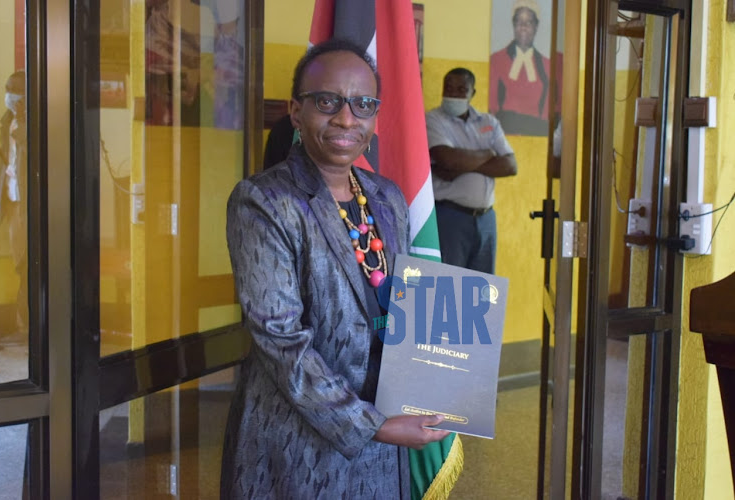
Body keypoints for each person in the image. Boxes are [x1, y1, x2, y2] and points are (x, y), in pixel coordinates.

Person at [221, 38, 450, 499]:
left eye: (363, 104)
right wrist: (373, 426)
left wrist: (452, 373)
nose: (347, 118)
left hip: (387, 437)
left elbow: (408, 304)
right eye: (328, 101)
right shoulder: (265, 202)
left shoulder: (387, 198)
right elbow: (281, 341)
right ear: (296, 111)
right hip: (297, 445)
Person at [426, 67, 517, 274]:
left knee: (481, 291)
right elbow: (447, 159)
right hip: (450, 216)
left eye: (461, 90)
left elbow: (510, 166)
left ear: (472, 93)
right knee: (449, 284)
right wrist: (488, 154)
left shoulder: (489, 122)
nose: (454, 94)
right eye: (449, 89)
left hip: (486, 218)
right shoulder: (433, 119)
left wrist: (459, 167)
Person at [0, 70, 28, 337]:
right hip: (13, 203)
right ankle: (21, 323)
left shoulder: (35, 122)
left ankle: (28, 323)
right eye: (8, 89)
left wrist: (23, 121)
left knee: (31, 264)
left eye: (14, 90)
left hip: (31, 205)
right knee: (19, 265)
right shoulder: (6, 121)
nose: (9, 95)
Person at [489, 0, 551, 136]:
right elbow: (489, 109)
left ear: (536, 26)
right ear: (513, 24)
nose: (523, 27)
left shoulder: (547, 66)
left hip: (537, 136)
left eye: (529, 22)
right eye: (519, 21)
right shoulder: (496, 60)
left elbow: (548, 114)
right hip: (503, 135)